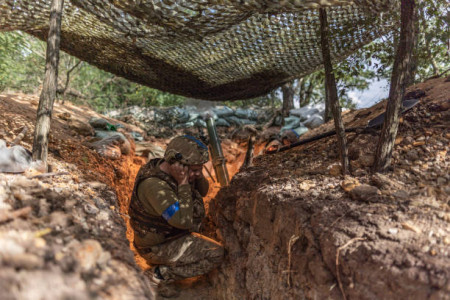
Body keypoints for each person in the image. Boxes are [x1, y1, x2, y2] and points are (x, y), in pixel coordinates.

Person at [129, 135, 224, 296]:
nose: (198, 173)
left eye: (200, 168)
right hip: (156, 247)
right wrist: (184, 184)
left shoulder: (174, 170)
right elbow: (183, 221)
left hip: (170, 236)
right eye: (195, 170)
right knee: (216, 254)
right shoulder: (154, 186)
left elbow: (204, 190)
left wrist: (196, 173)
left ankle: (166, 264)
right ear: (176, 164)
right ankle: (158, 274)